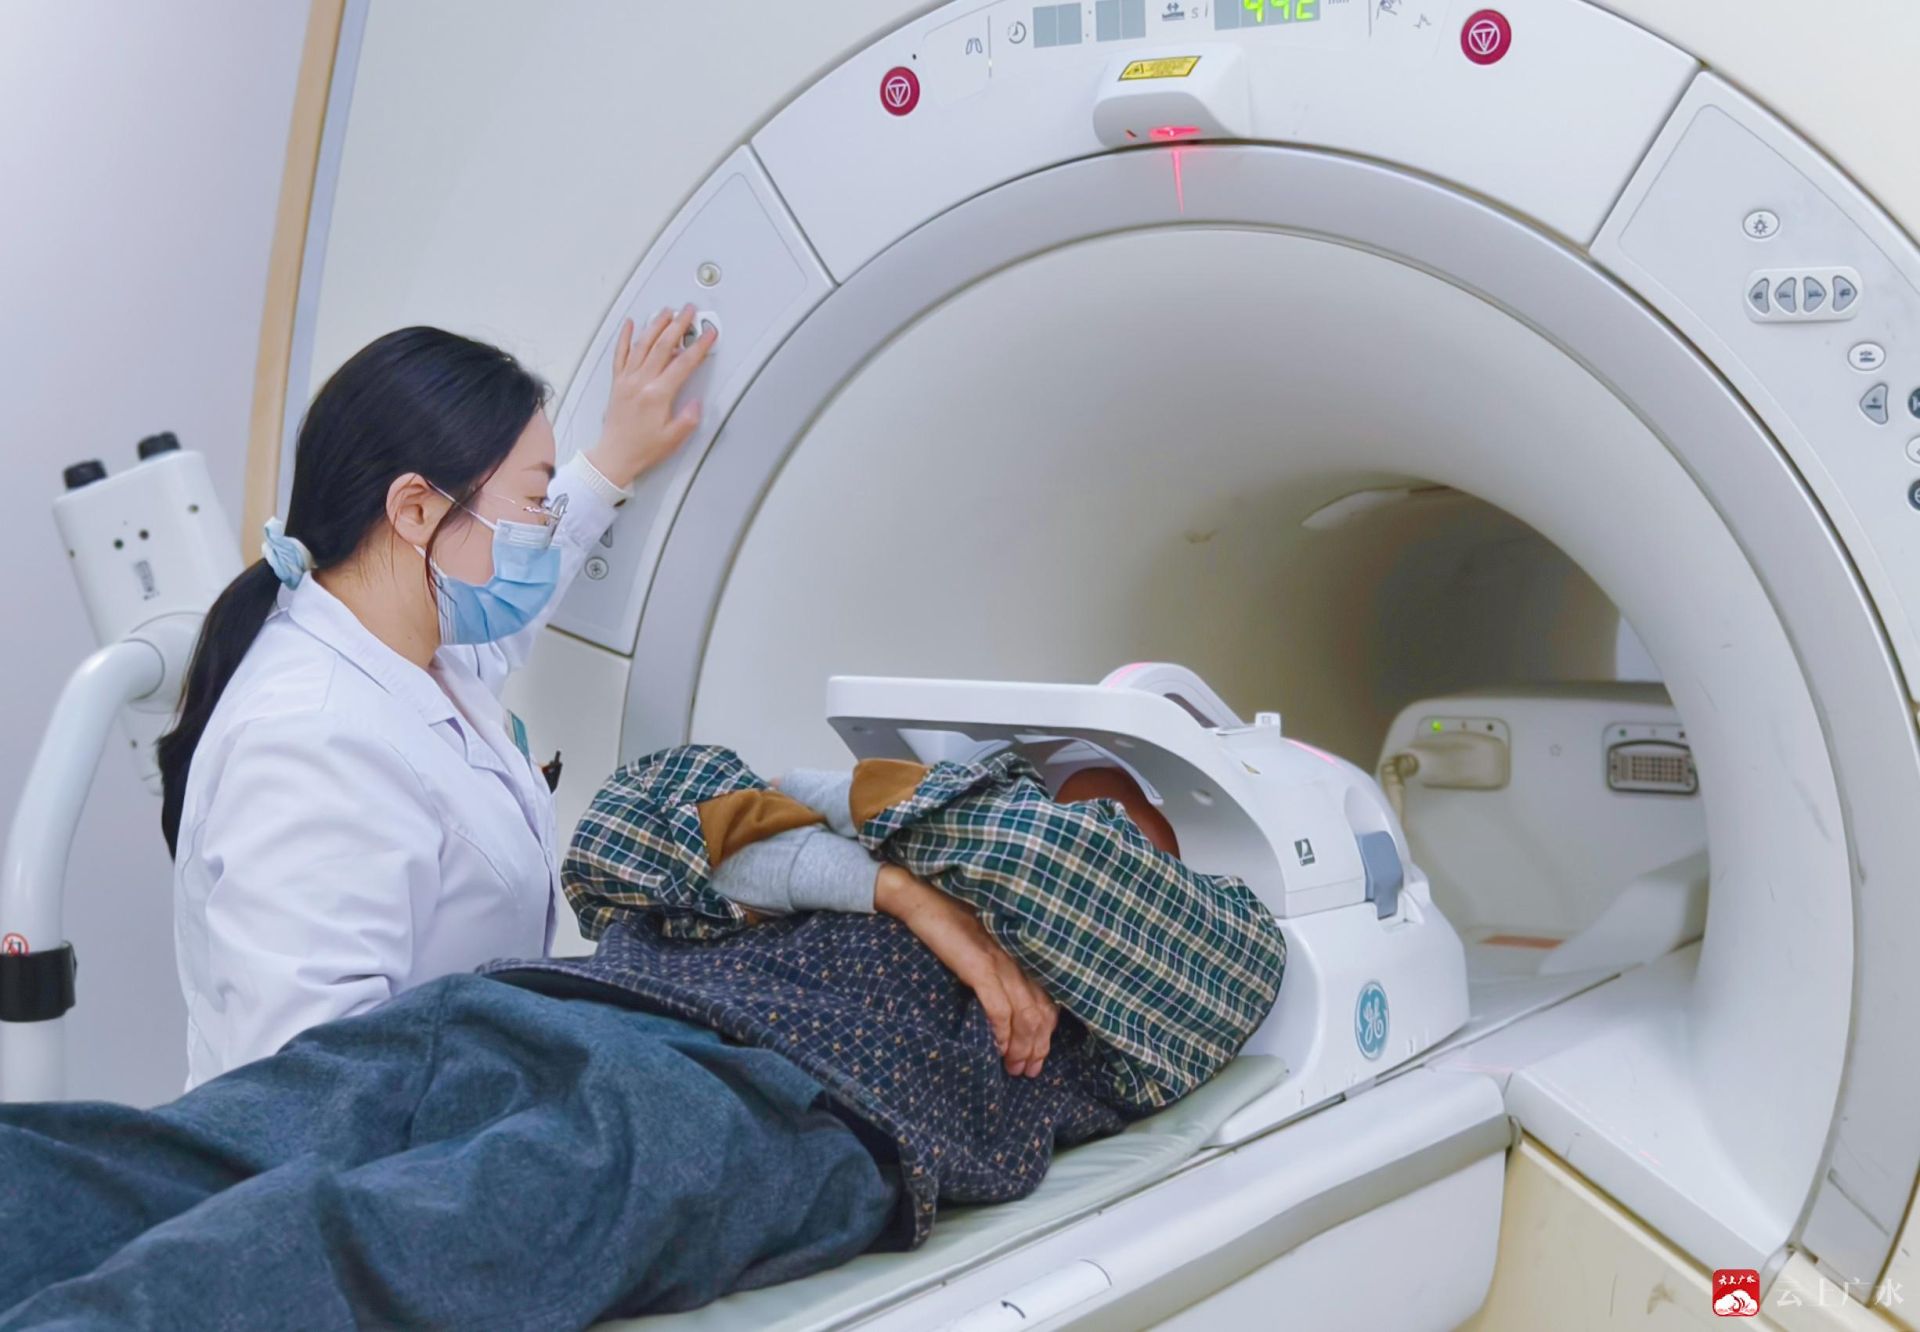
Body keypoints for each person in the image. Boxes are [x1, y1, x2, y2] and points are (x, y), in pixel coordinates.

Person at [0, 746, 1284, 1327]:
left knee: (368, 1239)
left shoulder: (1176, 971)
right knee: (160, 1155)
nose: (1085, 824)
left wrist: (835, 825)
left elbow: (1049, 862)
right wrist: (897, 889)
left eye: (1121, 823)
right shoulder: (908, 866)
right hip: (533, 1005)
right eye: (1064, 793)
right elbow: (634, 814)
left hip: (767, 1107)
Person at [156, 309, 715, 1089]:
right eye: (536, 500)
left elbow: (503, 623)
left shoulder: (415, 650)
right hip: (376, 1152)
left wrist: (611, 462)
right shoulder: (309, 740)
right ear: (415, 509)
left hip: (449, 1123)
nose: (544, 527)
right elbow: (303, 1086)